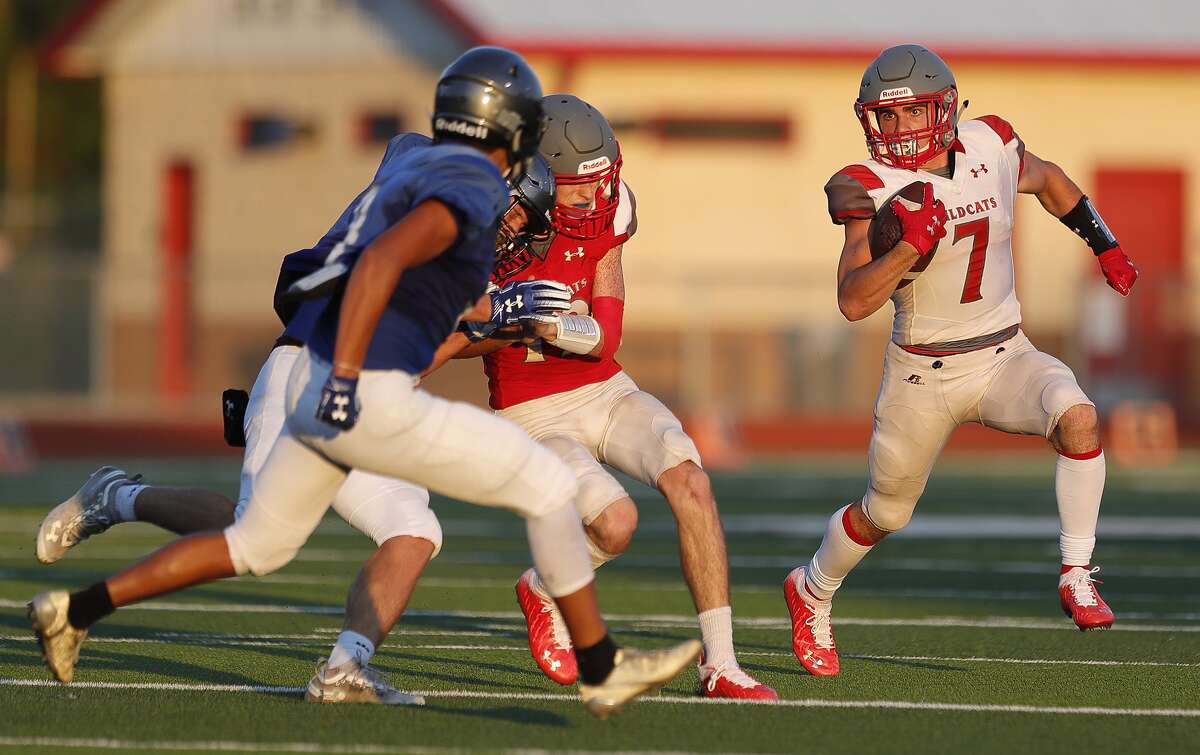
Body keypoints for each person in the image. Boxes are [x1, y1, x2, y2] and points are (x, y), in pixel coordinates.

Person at [28, 46, 700, 719]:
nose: (520, 223)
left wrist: (490, 313)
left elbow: (411, 281)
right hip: (345, 376)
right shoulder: (467, 187)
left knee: (323, 535)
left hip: (329, 366)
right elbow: (383, 265)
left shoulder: (419, 161)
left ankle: (88, 606)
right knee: (543, 482)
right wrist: (363, 370)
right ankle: (602, 666)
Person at [33, 157, 564, 705]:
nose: (518, 231)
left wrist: (501, 323)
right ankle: (108, 517)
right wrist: (488, 308)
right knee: (250, 535)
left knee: (414, 530)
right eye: (520, 214)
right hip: (312, 370)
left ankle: (345, 667)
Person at [785, 43, 1139, 676]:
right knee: (884, 513)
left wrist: (1103, 242)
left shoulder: (991, 144)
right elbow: (852, 301)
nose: (894, 131)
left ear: (945, 110)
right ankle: (811, 590)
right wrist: (903, 253)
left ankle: (1077, 573)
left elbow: (1051, 181)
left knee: (1079, 418)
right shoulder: (868, 186)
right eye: (883, 117)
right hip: (923, 373)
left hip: (1006, 352)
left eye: (909, 114)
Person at [437, 94, 776, 700]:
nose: (593, 201)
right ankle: (544, 587)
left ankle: (720, 664)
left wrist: (562, 326)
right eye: (575, 187)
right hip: (530, 412)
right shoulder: (495, 227)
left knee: (691, 479)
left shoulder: (612, 209)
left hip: (606, 388)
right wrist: (508, 321)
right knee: (616, 525)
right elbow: (450, 338)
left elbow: (606, 335)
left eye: (601, 182)